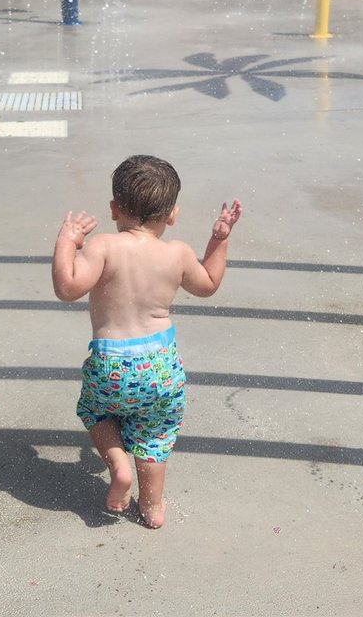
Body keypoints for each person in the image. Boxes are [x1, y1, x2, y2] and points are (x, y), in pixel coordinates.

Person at [51, 154, 241, 529]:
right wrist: (219, 239)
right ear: (172, 215)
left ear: (114, 209)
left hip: (111, 364)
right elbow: (208, 285)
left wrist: (67, 242)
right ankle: (152, 507)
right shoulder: (178, 253)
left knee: (98, 413)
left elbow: (67, 288)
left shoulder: (104, 247)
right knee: (154, 433)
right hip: (160, 365)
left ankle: (119, 466)